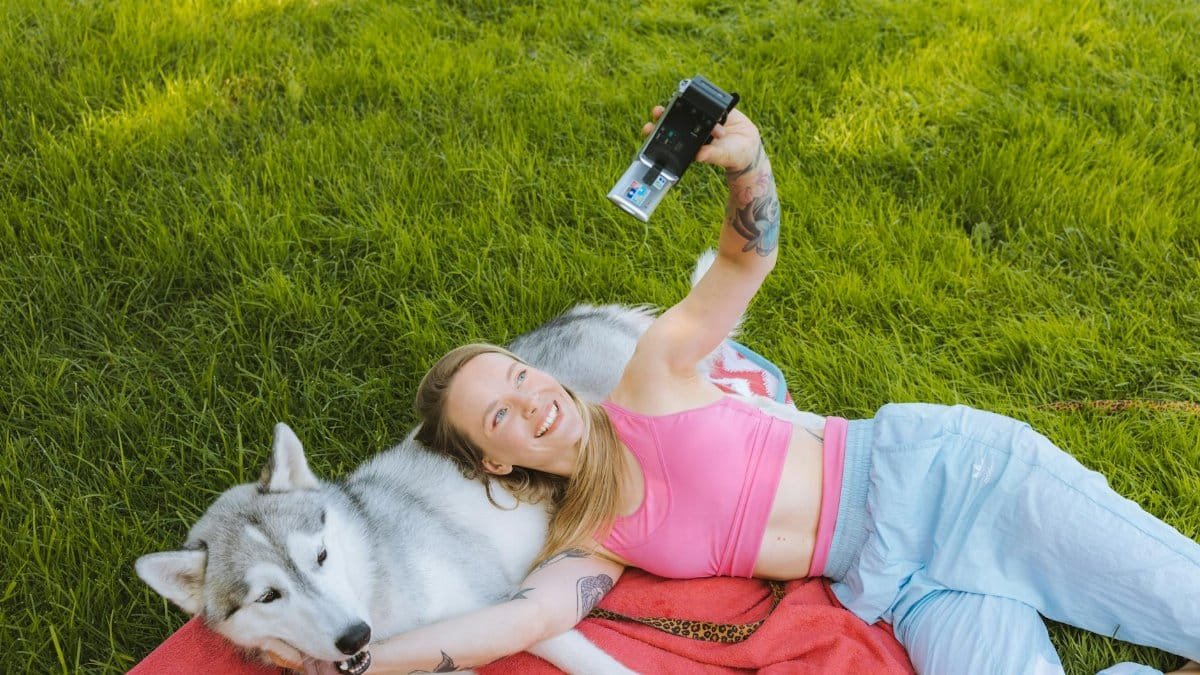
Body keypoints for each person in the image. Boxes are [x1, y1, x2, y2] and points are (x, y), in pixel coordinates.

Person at [351, 108, 1200, 675]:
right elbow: (511, 626)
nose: (532, 395)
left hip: (947, 482)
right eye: (499, 411)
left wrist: (746, 165)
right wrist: (355, 658)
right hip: (898, 585)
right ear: (495, 462)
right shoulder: (591, 540)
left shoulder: (648, 376)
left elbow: (743, 260)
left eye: (520, 371)